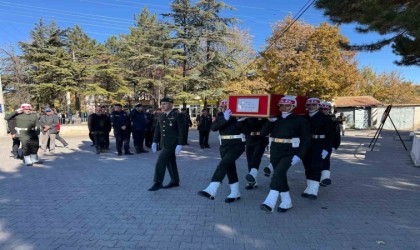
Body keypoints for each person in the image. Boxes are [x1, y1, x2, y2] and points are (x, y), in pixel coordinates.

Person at [259, 96, 310, 212]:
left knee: (278, 172)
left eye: (287, 105)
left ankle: (270, 202)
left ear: (293, 106)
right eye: (281, 105)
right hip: (276, 150)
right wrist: (269, 122)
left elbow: (306, 140)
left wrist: (299, 155)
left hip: (290, 151)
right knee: (280, 175)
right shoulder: (275, 119)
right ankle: (287, 202)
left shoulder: (301, 120)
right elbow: (262, 133)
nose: (284, 107)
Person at [197, 99, 246, 203]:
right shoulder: (220, 116)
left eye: (225, 107)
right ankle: (235, 192)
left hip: (237, 144)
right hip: (224, 145)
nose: (223, 109)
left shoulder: (240, 115)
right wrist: (225, 119)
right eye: (221, 107)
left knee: (223, 164)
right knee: (229, 168)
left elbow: (247, 130)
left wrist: (240, 120)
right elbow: (213, 127)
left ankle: (212, 189)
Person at [148, 97, 186, 191]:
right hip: (164, 143)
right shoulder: (161, 115)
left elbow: (182, 131)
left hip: (172, 143)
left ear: (171, 104)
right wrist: (154, 141)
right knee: (170, 161)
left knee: (160, 161)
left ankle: (158, 182)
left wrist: (180, 143)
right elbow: (158, 129)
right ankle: (175, 181)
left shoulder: (177, 115)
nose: (163, 106)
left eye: (165, 104)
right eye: (162, 104)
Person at [301, 98, 334, 200]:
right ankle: (309, 187)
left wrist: (327, 149)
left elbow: (330, 135)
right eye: (309, 105)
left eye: (314, 105)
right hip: (307, 144)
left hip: (320, 144)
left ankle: (314, 190)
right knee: (307, 166)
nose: (311, 106)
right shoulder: (304, 117)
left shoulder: (325, 118)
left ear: (318, 106)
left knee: (316, 166)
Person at [241, 117, 270, 190]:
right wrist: (240, 120)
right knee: (249, 160)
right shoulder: (247, 114)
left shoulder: (263, 114)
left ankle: (252, 175)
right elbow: (243, 127)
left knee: (256, 157)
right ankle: (253, 181)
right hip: (249, 138)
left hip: (261, 139)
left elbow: (267, 126)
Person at [320, 103, 341, 186]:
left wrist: (335, 146)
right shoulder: (315, 118)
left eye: (326, 109)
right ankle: (319, 178)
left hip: (328, 145)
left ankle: (325, 178)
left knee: (325, 160)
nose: (324, 111)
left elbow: (336, 134)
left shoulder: (333, 120)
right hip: (317, 144)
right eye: (322, 109)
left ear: (329, 110)